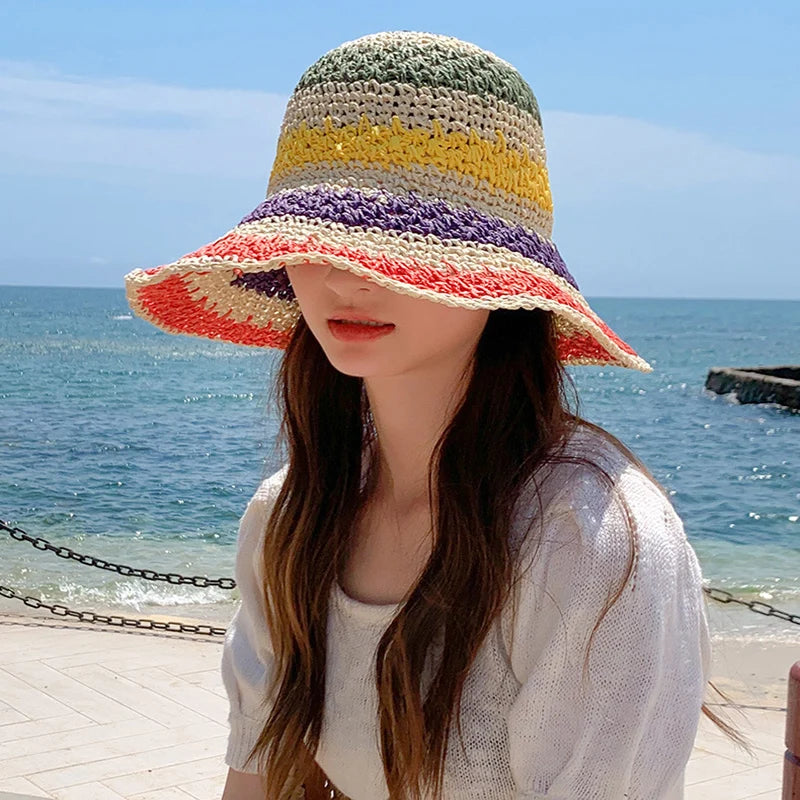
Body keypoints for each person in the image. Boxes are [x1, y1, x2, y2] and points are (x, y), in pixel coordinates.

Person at [125, 30, 738, 800]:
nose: (347, 275)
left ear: (499, 285)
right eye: (319, 239)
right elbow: (254, 778)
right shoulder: (291, 516)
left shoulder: (589, 540)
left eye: (399, 244)